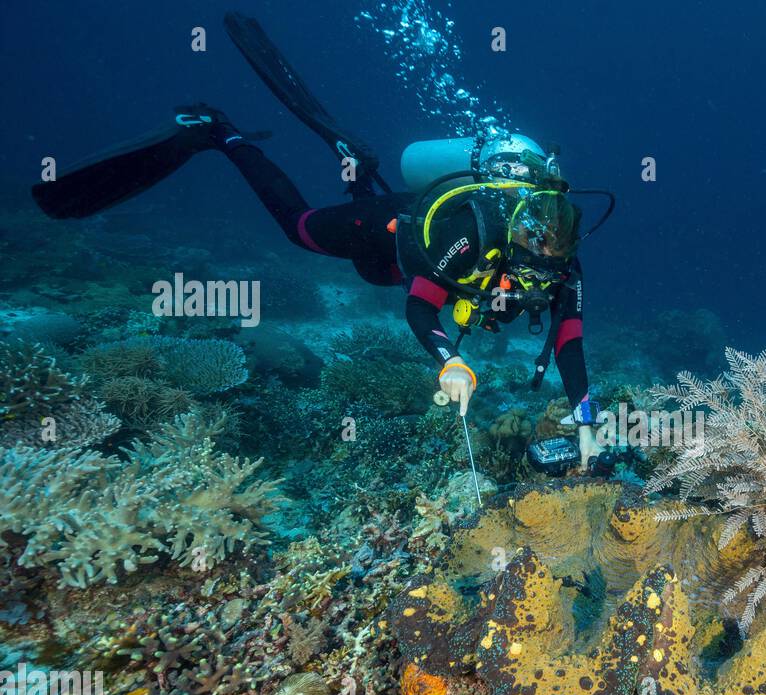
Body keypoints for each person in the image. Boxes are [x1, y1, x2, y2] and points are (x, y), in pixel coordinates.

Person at [32, 16, 609, 469]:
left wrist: (585, 420)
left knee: (372, 271)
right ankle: (220, 134)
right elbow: (420, 305)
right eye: (537, 249)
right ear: (516, 230)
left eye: (557, 249)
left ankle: (358, 168)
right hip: (395, 233)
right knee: (302, 229)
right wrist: (450, 360)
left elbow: (571, 343)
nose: (547, 264)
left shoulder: (563, 262)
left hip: (394, 263)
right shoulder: (475, 229)